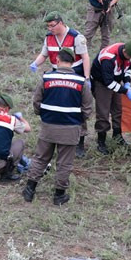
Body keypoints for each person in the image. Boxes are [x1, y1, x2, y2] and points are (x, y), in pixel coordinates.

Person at [23, 49, 93, 205]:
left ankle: (29, 190)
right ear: (73, 63)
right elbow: (88, 108)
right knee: (64, 163)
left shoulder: (46, 78)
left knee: (40, 158)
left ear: (58, 60)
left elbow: (36, 101)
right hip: (70, 129)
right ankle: (59, 195)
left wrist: (44, 115)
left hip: (48, 126)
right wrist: (78, 120)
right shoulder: (81, 82)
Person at [29, 11, 92, 157]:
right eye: (48, 26)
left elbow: (85, 57)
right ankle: (56, 136)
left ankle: (80, 140)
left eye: (52, 25)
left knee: (76, 107)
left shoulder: (76, 37)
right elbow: (44, 54)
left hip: (75, 74)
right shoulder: (49, 38)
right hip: (56, 74)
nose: (50, 28)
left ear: (61, 23)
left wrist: (87, 78)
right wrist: (35, 64)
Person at [90, 40, 131, 154]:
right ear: (124, 51)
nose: (130, 59)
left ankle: (117, 137)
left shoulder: (130, 54)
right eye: (129, 57)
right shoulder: (108, 58)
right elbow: (108, 82)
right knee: (103, 113)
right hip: (101, 83)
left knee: (118, 109)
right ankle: (101, 142)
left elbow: (128, 69)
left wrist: (127, 83)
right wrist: (125, 91)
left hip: (115, 80)